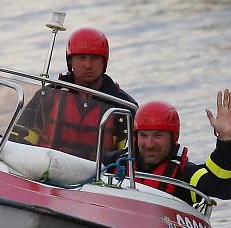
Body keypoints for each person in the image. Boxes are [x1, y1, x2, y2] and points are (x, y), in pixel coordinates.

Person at [12, 27, 137, 160]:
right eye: (81, 58)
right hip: (45, 168)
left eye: (94, 58)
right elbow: (20, 137)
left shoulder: (124, 106)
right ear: (70, 61)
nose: (88, 65)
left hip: (98, 176)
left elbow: (130, 155)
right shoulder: (49, 94)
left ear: (104, 61)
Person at [122, 90, 231, 205]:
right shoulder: (116, 163)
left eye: (158, 135)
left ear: (173, 138)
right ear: (135, 137)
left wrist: (226, 139)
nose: (149, 144)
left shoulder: (185, 175)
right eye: (143, 135)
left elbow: (223, 189)